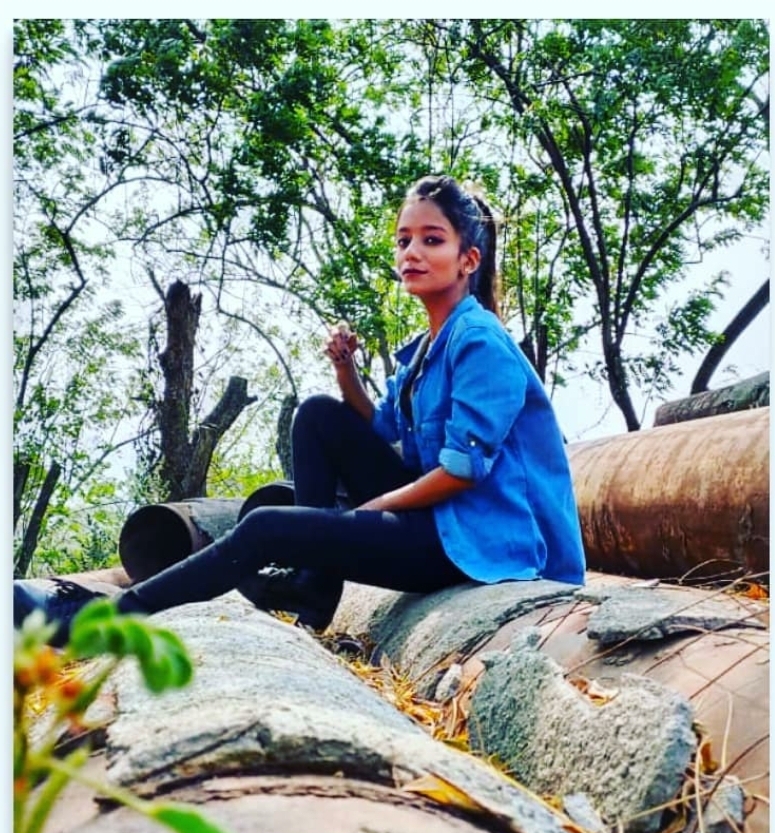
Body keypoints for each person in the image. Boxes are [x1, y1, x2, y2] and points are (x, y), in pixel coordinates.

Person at [14, 174, 585, 647]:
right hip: (440, 520)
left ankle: (104, 621)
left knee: (267, 526)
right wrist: (345, 369)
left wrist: (374, 509)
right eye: (403, 240)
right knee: (316, 414)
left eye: (431, 240)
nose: (411, 253)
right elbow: (381, 426)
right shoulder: (426, 348)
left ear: (468, 259)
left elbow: (463, 471)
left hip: (480, 545)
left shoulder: (479, 342)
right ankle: (315, 586)